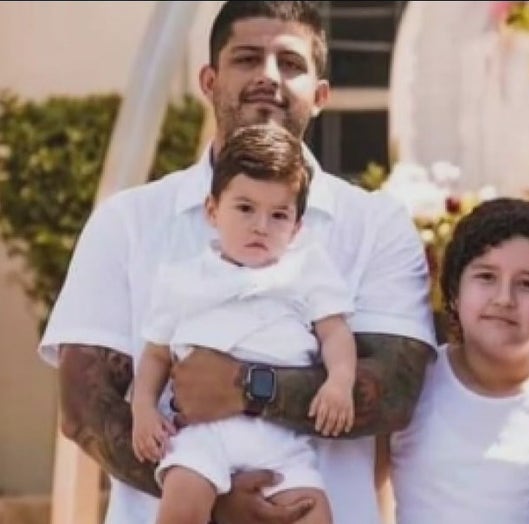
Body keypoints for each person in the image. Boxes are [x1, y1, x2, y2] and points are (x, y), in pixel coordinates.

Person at [40, 2, 437, 524]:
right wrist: (214, 502)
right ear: (209, 81)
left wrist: (246, 386)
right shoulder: (129, 222)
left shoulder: (375, 226)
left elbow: (397, 390)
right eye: (247, 59)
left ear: (320, 95)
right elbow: (85, 407)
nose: (268, 77)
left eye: (290, 64)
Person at [131, 123, 357, 524]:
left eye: (278, 215)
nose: (260, 226)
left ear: (297, 227)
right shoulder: (182, 278)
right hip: (202, 433)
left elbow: (335, 332)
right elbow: (155, 354)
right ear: (213, 210)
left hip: (280, 437)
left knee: (314, 513)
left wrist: (339, 382)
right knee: (181, 503)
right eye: (245, 208)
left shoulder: (307, 270)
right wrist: (144, 409)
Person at [376, 198, 529, 524]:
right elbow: (368, 491)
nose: (504, 298)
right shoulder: (412, 381)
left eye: (528, 284)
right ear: (454, 290)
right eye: (486, 277)